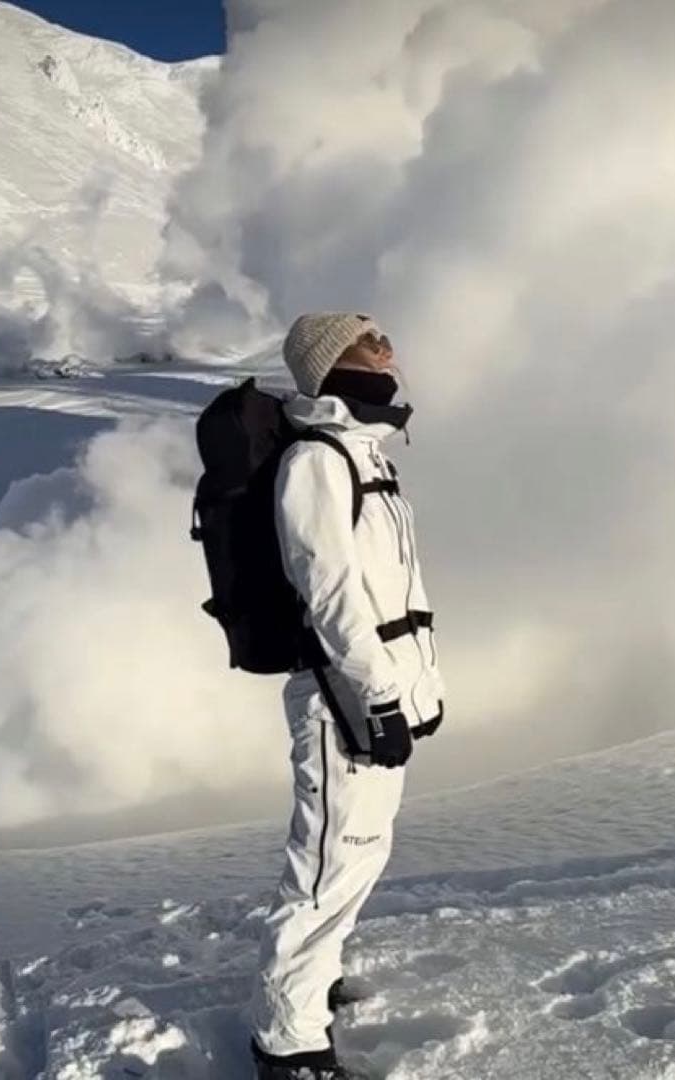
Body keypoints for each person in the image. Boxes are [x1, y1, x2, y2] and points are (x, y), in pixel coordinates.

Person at [249, 312, 446, 1079]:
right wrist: (377, 698)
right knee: (326, 863)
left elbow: (396, 591)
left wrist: (419, 690)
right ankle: (287, 1041)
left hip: (380, 693)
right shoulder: (316, 460)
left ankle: (313, 979)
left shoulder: (365, 452)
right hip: (343, 700)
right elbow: (330, 593)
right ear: (330, 361)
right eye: (370, 341)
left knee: (361, 853)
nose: (388, 350)